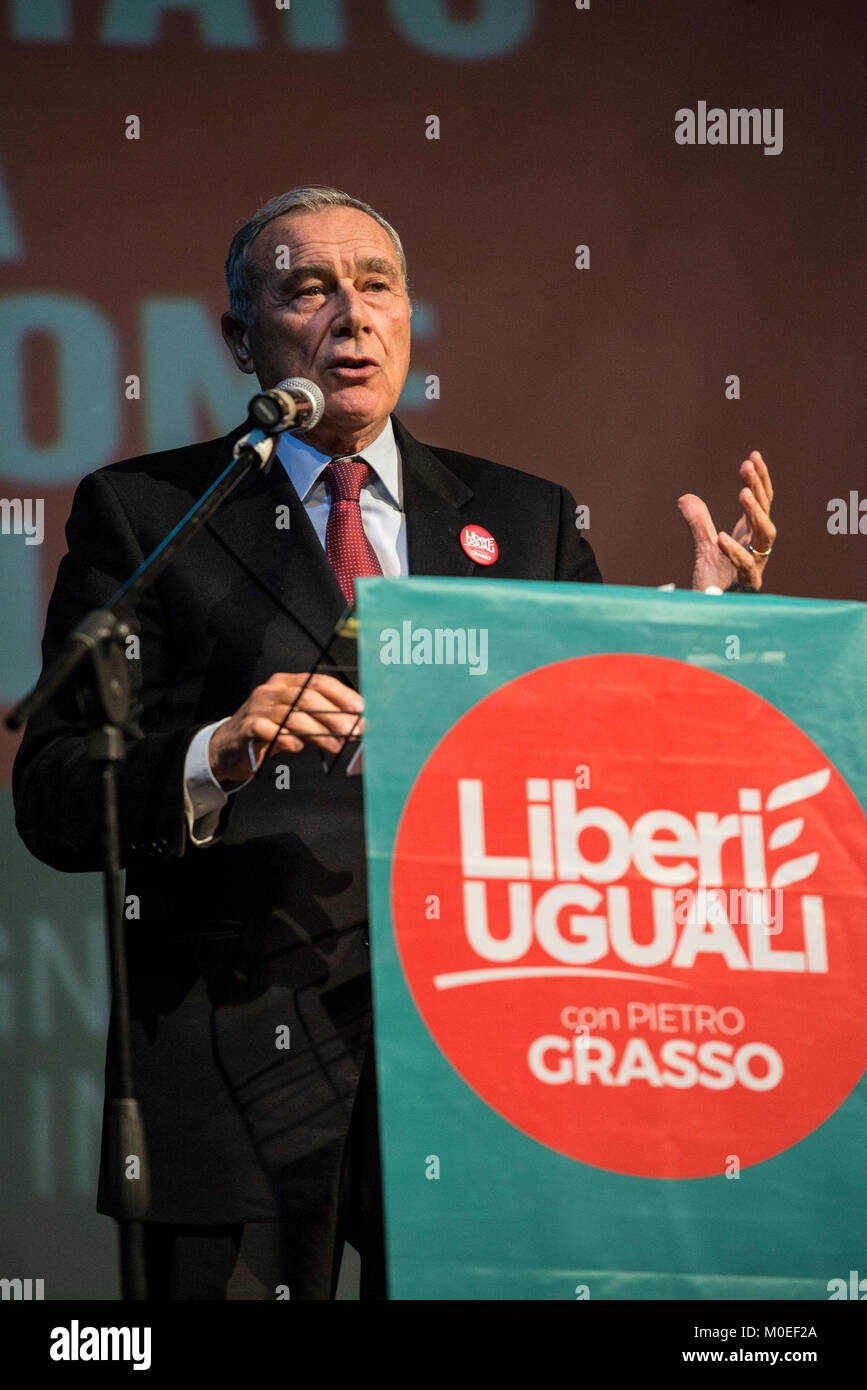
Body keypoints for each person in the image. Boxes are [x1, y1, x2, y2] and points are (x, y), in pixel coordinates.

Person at [12, 185, 776, 1301]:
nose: (350, 315)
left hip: (488, 1055)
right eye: (307, 289)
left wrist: (700, 640)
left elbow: (612, 775)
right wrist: (214, 751)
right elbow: (55, 790)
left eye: (376, 285)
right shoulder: (147, 511)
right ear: (240, 336)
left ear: (411, 315)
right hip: (232, 1061)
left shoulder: (527, 517)